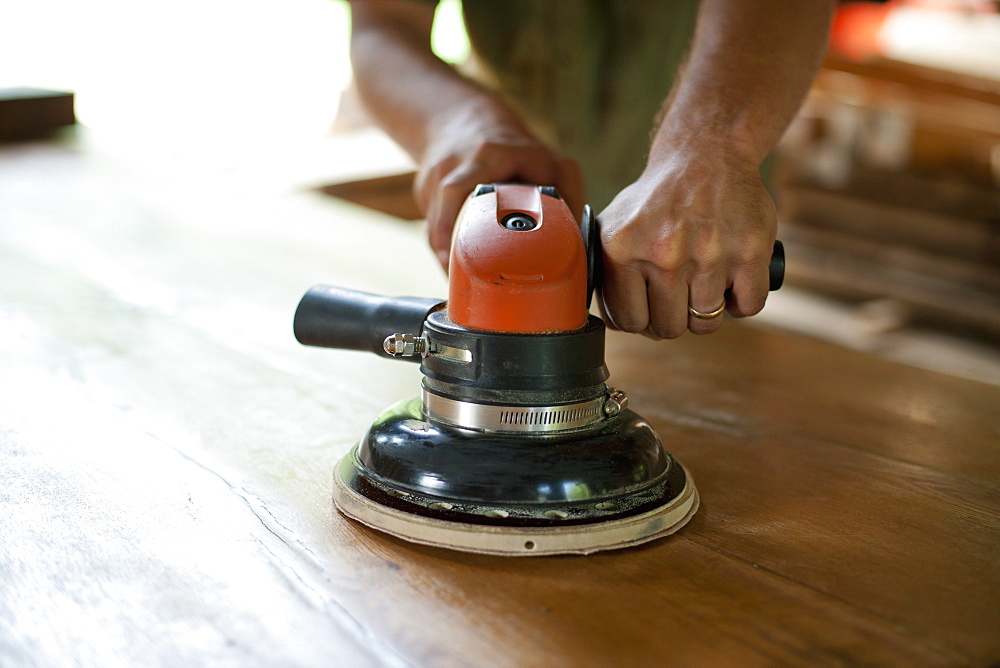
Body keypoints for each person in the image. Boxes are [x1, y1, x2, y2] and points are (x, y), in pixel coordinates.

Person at [346, 0, 835, 338]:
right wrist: (462, 123)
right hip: (509, 174)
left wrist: (711, 147)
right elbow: (383, 22)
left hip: (705, 245)